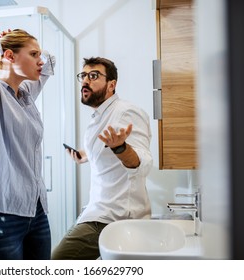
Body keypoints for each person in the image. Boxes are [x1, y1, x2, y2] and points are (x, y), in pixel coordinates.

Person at [0, 14, 55, 260]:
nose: (40, 60)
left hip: (35, 211)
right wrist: (0, 41)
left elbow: (51, 62)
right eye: (33, 54)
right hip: (1, 213)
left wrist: (27, 46)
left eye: (39, 54)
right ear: (9, 56)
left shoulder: (25, 95)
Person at [51, 57, 153, 260]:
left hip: (116, 216)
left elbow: (143, 163)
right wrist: (85, 155)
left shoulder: (126, 112)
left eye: (94, 76)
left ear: (111, 85)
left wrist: (121, 147)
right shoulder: (100, 115)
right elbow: (106, 149)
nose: (85, 81)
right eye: (83, 76)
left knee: (59, 260)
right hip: (100, 211)